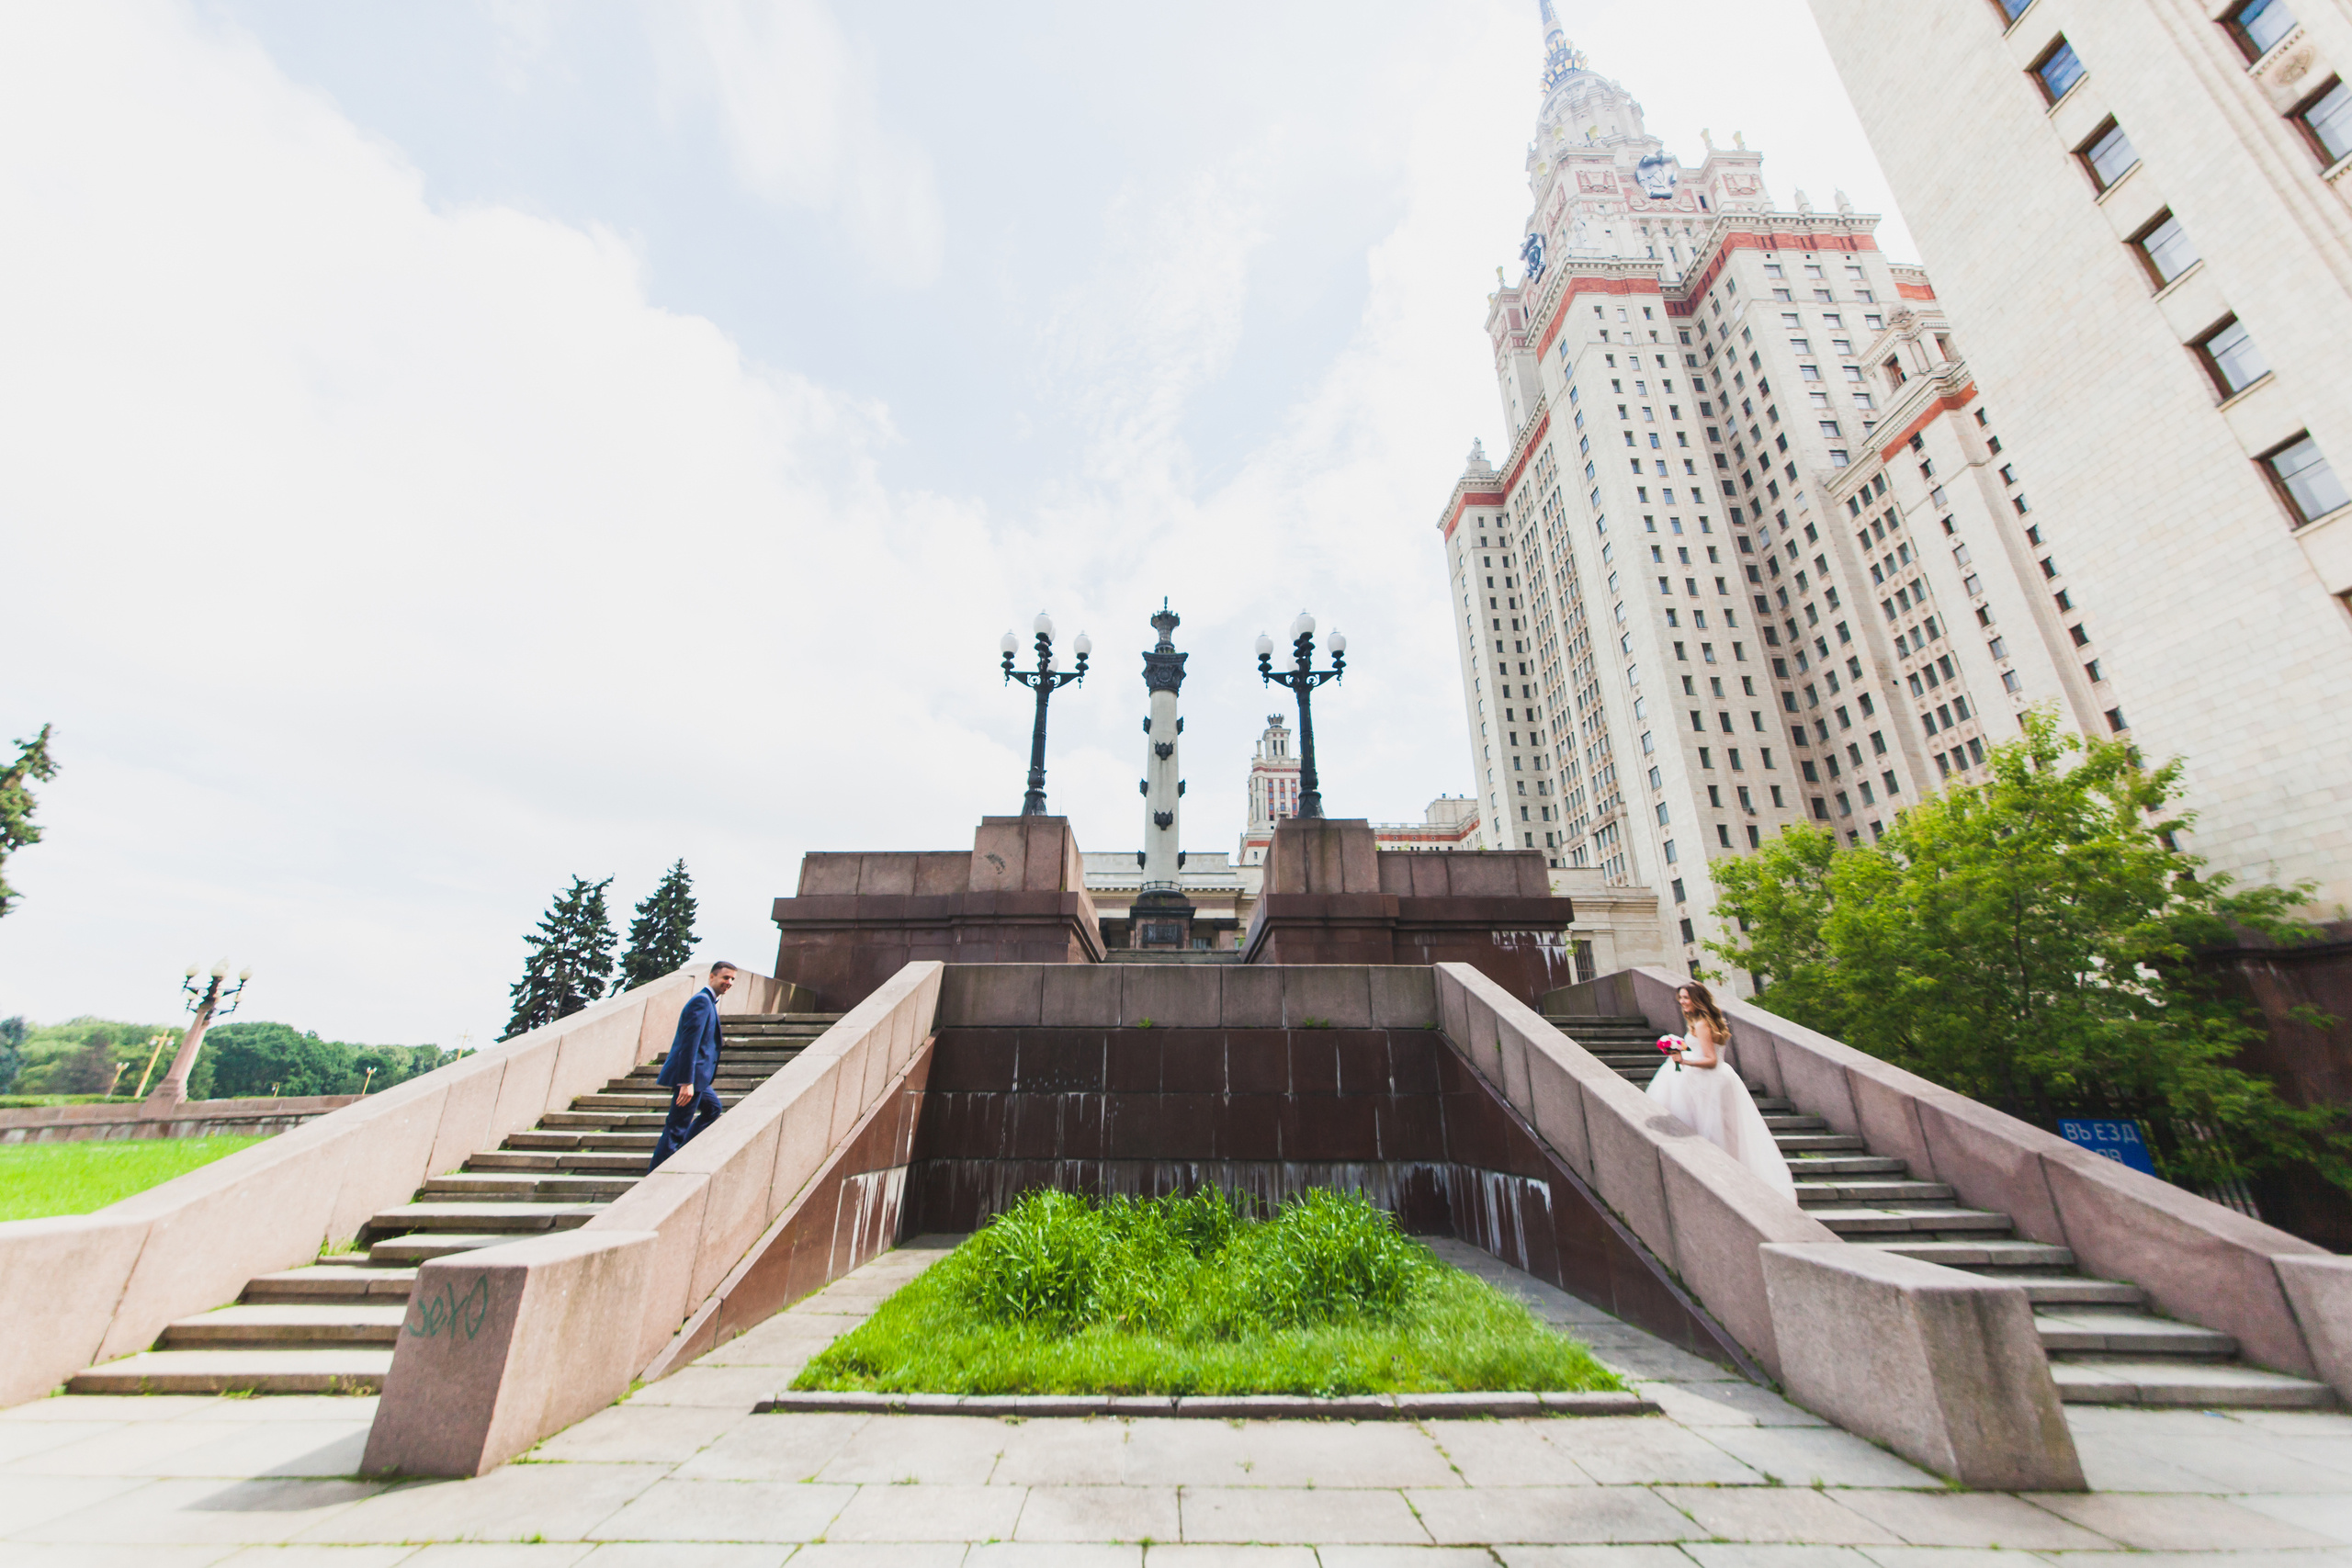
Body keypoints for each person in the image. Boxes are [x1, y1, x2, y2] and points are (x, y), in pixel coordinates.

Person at [1645, 980, 1795, 1200]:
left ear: (1697, 999)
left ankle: (1723, 1179)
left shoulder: (1702, 1024)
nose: (1682, 1002)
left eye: (1686, 998)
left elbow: (1711, 1060)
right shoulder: (1701, 1021)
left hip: (1709, 1081)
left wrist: (1683, 1061)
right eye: (1681, 998)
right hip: (1714, 1079)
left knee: (1713, 1131)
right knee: (1721, 1130)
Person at [648, 961, 738, 1172]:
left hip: (699, 1078)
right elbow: (689, 1045)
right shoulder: (702, 1002)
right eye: (725, 977)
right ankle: (657, 1175)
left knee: (713, 1109)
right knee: (676, 1128)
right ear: (712, 977)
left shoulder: (708, 1002)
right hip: (691, 1078)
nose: (729, 982)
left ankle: (679, 1155)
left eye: (733, 979)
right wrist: (686, 1082)